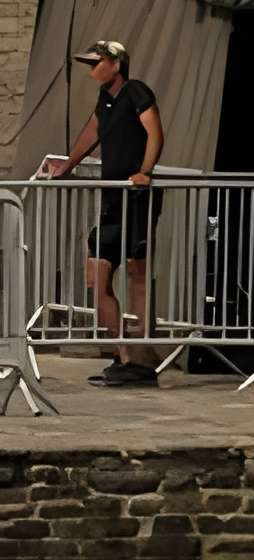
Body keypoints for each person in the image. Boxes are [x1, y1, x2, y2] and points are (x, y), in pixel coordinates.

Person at [47, 39, 164, 387]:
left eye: (96, 63)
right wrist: (67, 165)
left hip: (136, 197)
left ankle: (141, 360)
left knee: (137, 273)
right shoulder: (105, 99)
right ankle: (122, 355)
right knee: (97, 277)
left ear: (116, 64)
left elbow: (155, 132)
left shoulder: (136, 91)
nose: (92, 70)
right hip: (113, 200)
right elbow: (92, 132)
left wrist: (145, 171)